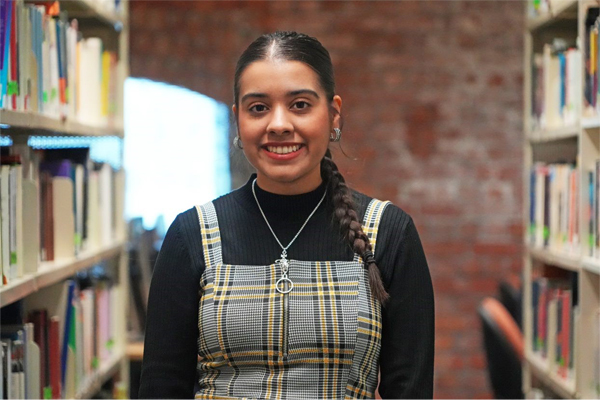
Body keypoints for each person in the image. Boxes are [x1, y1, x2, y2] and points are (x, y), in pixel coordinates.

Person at [138, 31, 434, 399]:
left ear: (334, 113)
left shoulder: (388, 232)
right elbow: (161, 388)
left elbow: (410, 391)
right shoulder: (192, 234)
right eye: (258, 108)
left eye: (299, 105)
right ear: (238, 119)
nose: (278, 125)